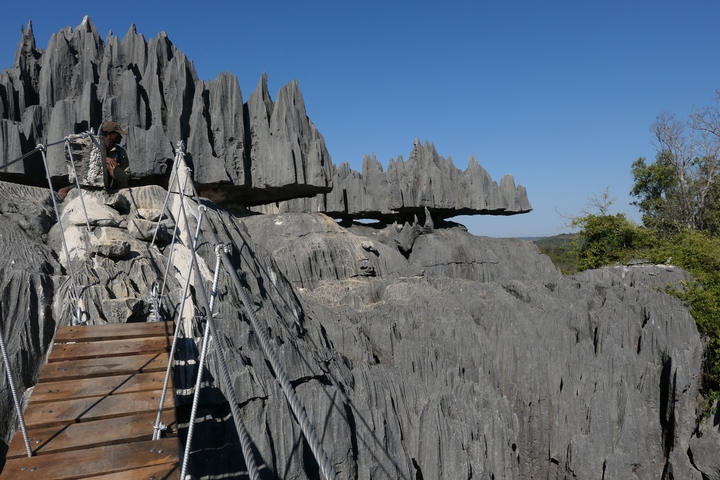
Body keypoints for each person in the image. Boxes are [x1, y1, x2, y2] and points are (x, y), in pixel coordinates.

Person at [102, 121, 130, 190]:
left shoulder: (121, 152)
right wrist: (104, 159)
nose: (121, 137)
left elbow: (127, 173)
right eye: (117, 134)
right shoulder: (95, 148)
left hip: (114, 186)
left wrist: (117, 170)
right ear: (109, 133)